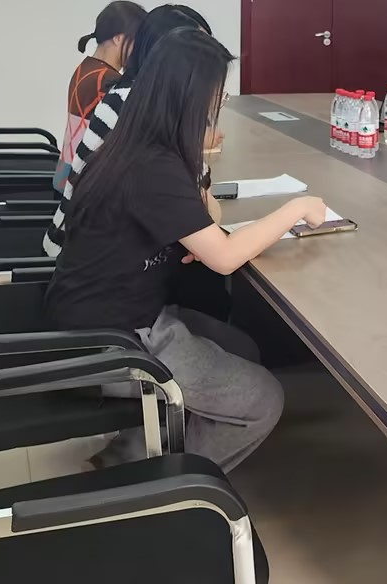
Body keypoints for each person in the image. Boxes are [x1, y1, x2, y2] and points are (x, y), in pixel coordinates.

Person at [45, 28, 324, 470]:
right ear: (190, 97)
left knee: (242, 349)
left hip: (102, 314)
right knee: (264, 398)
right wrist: (297, 208)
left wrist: (195, 228)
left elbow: (205, 213)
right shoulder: (152, 165)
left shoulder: (140, 143)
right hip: (112, 340)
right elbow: (224, 257)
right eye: (216, 97)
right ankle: (167, 483)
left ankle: (131, 450)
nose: (216, 108)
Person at [45, 4, 210, 256]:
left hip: (70, 181)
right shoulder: (111, 86)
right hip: (88, 207)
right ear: (119, 38)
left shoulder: (87, 69)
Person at [57, 0, 147, 191]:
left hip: (65, 177)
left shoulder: (85, 69)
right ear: (119, 39)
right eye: (137, 42)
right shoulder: (107, 81)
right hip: (82, 187)